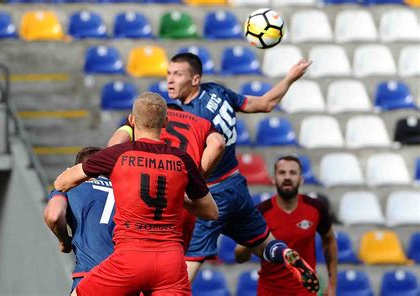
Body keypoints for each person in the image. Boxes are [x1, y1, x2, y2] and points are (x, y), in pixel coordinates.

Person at [166, 52, 319, 293]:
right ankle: (286, 252)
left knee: (186, 268)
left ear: (195, 79)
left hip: (212, 193)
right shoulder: (217, 91)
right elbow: (265, 103)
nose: (170, 80)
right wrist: (289, 78)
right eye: (168, 74)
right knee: (263, 245)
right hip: (237, 186)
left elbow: (205, 154)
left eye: (178, 74)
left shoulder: (191, 116)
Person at [54, 92, 219, 295]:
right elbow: (211, 212)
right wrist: (177, 197)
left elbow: (62, 183)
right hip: (170, 263)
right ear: (166, 122)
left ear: (132, 120)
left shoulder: (117, 154)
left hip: (130, 259)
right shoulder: (182, 160)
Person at [108, 103, 226, 251]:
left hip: (142, 194)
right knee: (173, 258)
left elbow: (114, 145)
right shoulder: (200, 123)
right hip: (183, 199)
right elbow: (218, 144)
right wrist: (197, 180)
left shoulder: (143, 120)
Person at [235, 155, 338, 296]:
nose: (287, 177)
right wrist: (251, 242)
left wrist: (332, 285)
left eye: (293, 173)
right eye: (282, 173)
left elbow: (329, 241)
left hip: (305, 293)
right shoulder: (260, 212)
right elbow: (239, 257)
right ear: (273, 179)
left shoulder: (316, 208)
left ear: (301, 179)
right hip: (269, 292)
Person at [44, 147, 116, 293]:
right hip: (125, 276)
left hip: (90, 275)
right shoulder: (126, 189)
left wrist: (64, 241)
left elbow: (54, 215)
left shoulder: (68, 187)